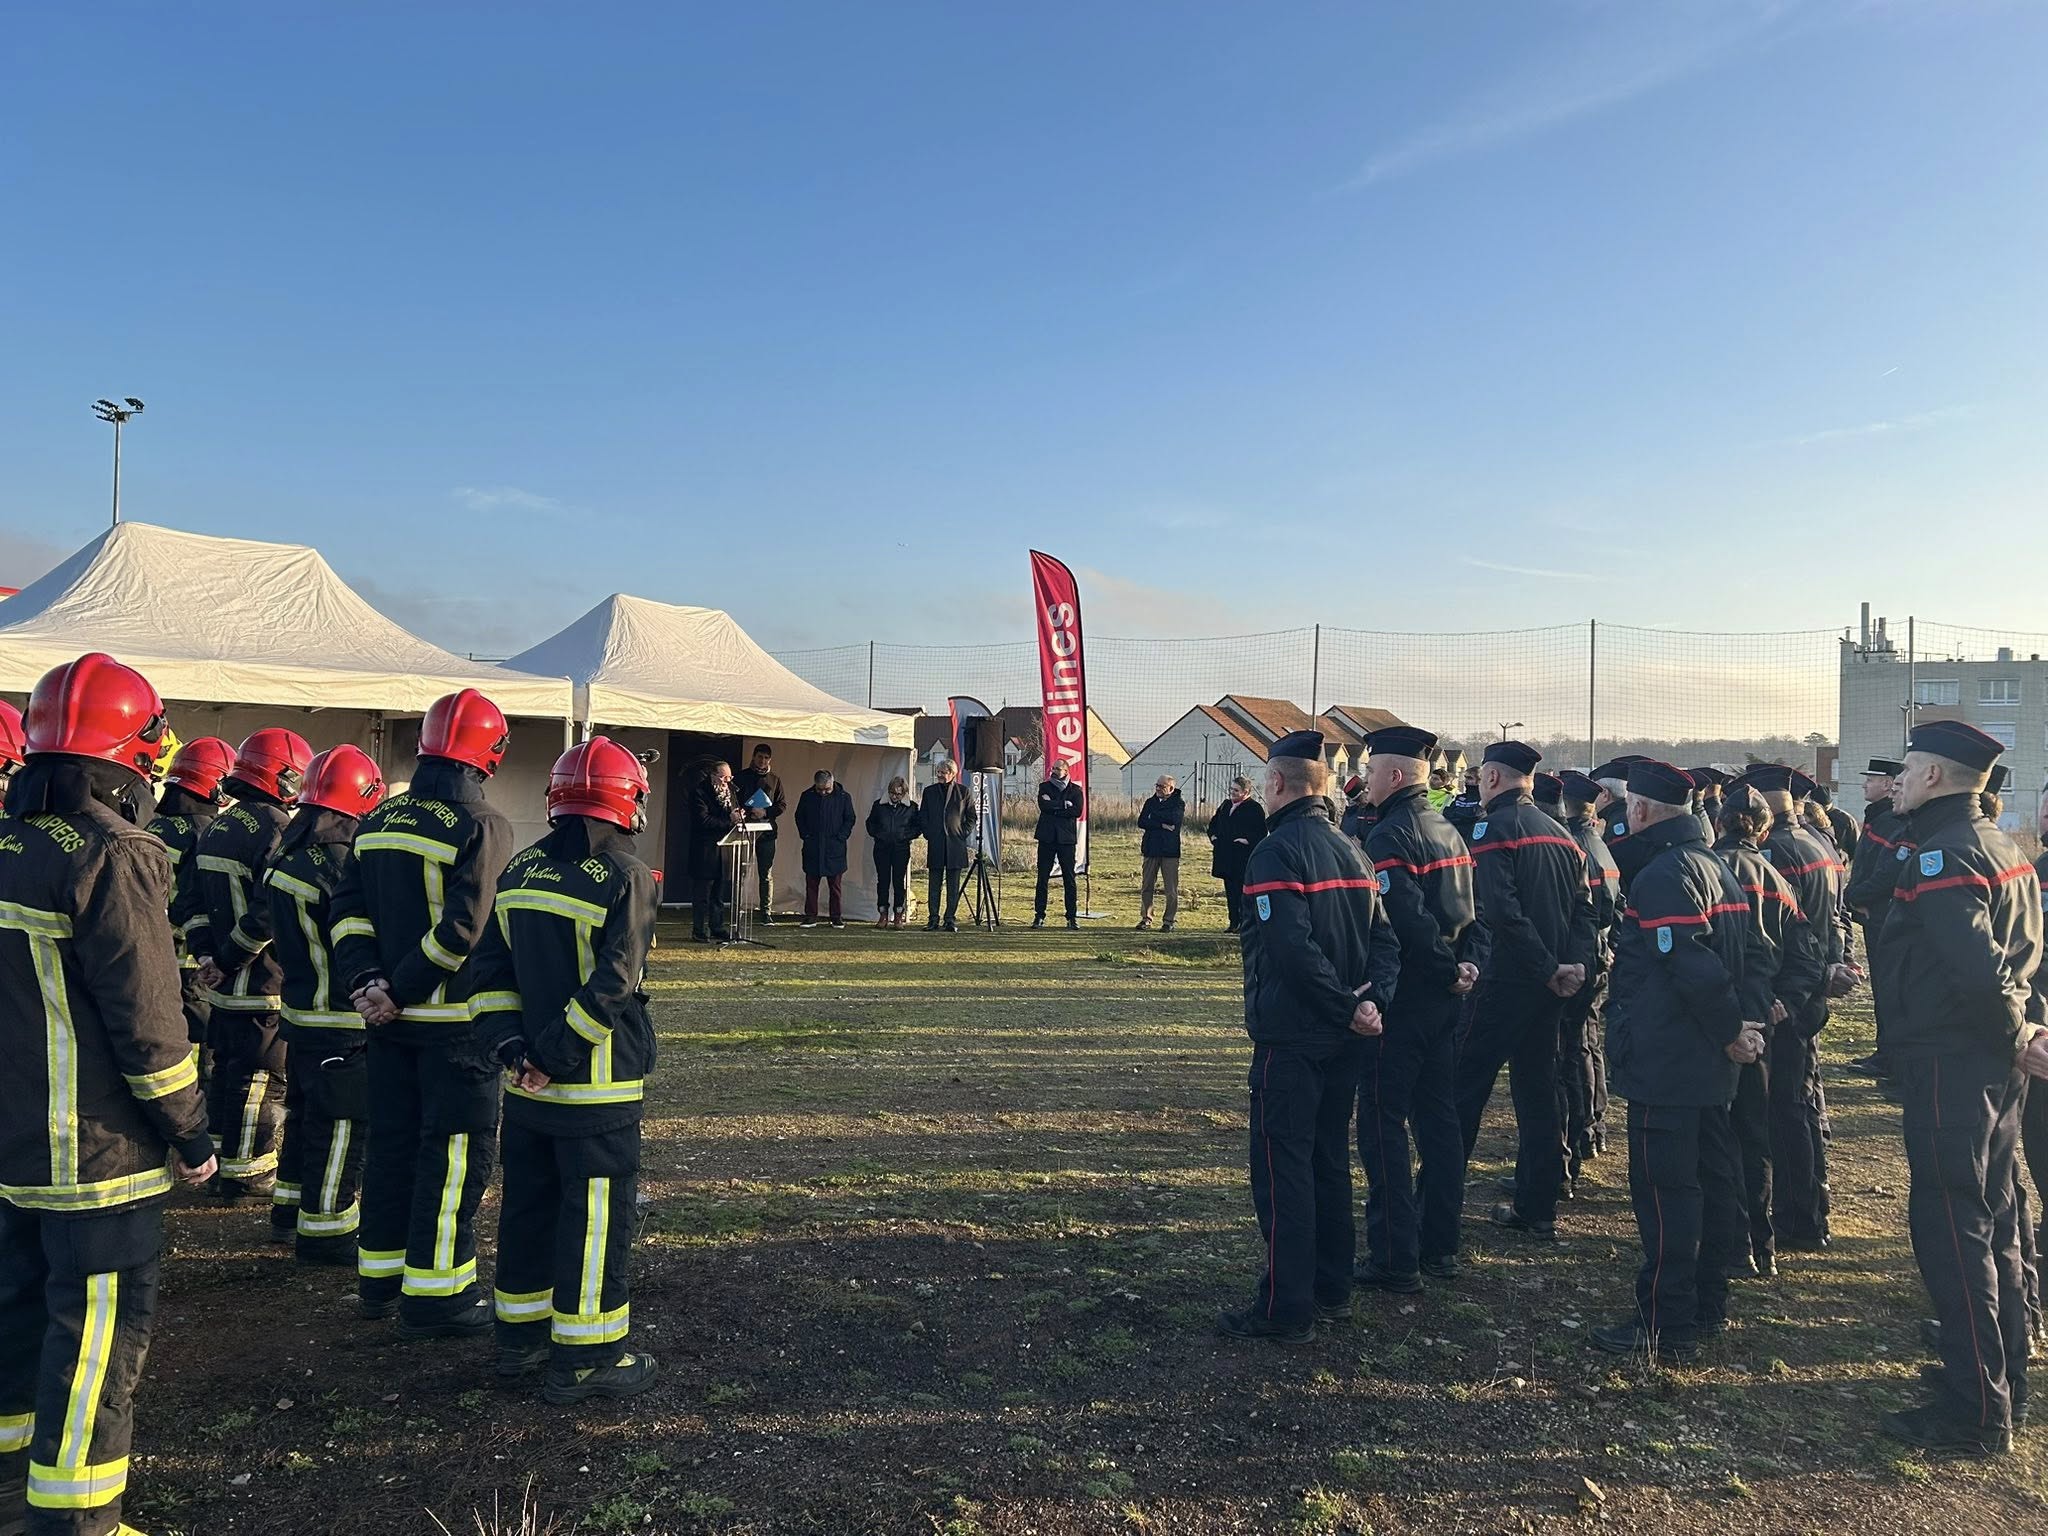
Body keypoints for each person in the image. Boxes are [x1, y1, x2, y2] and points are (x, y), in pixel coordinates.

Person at [0, 653, 215, 1536]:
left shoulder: (8, 846)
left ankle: (14, 1487)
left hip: (11, 1141)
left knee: (16, 1317)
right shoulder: (115, 852)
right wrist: (193, 1131)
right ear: (132, 752)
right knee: (96, 1336)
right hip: (93, 1151)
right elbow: (148, 1022)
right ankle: (78, 1518)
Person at [470, 737, 661, 1404]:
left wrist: (513, 1052)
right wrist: (554, 1058)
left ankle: (518, 1344)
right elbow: (613, 986)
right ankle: (585, 1359)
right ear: (626, 800)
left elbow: (487, 977)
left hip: (524, 1091)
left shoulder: (519, 872)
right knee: (594, 1222)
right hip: (596, 1092)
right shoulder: (627, 877)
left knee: (526, 1211)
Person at [1874, 719, 2042, 1455]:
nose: (1898, 782)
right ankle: (2007, 1380)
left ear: (1937, 777)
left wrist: (2015, 1032)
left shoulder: (1946, 853)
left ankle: (1974, 1410)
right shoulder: (2004, 845)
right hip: (1993, 1066)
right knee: (1996, 1218)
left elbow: (1975, 969)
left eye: (1908, 770)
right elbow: (2021, 960)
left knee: (1952, 1228)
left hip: (1954, 1061)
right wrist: (2025, 1032)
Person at [331, 688, 514, 1338]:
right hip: (456, 1031)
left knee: (392, 1148)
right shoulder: (483, 826)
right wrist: (400, 990)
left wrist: (367, 983)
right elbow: (464, 929)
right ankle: (438, 1296)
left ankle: (378, 1282)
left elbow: (346, 909)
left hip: (386, 1025)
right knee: (455, 1156)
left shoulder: (378, 821)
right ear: (490, 754)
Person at [1219, 731, 1399, 1342]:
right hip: (1344, 1037)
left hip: (1295, 1038)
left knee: (1283, 1167)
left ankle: (1285, 1306)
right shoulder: (1355, 850)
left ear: (1275, 785)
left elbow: (1290, 950)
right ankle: (1331, 1286)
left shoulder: (1275, 852)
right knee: (1327, 1159)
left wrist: (1351, 1006)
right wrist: (1368, 1002)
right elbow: (1384, 942)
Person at [1590, 761, 1761, 1362]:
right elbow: (1760, 954)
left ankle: (1665, 1318)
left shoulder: (1666, 874)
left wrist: (1729, 1030)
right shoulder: (1719, 868)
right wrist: (1744, 1027)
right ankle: (1708, 1302)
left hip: (1670, 1057)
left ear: (1639, 811)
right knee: (1714, 1182)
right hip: (1709, 1060)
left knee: (1666, 1192)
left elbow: (1691, 964)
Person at [1354, 725, 1481, 1290]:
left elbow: (1405, 919)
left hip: (1407, 998)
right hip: (1445, 999)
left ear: (1396, 775)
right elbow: (1469, 914)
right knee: (1439, 1121)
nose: (1366, 776)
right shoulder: (1448, 830)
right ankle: (1440, 1245)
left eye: (1373, 768)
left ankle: (1394, 1255)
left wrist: (1446, 968)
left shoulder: (1391, 835)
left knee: (1382, 1122)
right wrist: (1467, 964)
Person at [1453, 740, 1596, 1242]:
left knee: (1464, 1091)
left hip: (1504, 983)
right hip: (1550, 987)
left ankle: (1438, 1205)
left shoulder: (1493, 830)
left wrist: (1545, 966)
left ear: (1491, 779)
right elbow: (1585, 910)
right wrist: (1570, 966)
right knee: (1538, 1094)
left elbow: (1500, 911)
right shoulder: (1561, 833)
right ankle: (1537, 1205)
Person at [261, 744, 386, 1266]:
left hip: (299, 1014)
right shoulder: (339, 865)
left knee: (305, 1115)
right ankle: (328, 1230)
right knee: (340, 1124)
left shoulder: (287, 857)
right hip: (341, 1017)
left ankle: (289, 1210)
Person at [192, 727, 313, 1229]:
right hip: (261, 984)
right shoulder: (276, 828)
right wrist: (233, 957)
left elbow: (189, 904)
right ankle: (248, 1174)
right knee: (263, 1078)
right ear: (282, 776)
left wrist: (207, 957)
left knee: (228, 1074)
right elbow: (268, 910)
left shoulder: (216, 827)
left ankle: (222, 1162)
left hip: (221, 988)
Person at [1742, 763, 1851, 1252]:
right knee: (1801, 1104)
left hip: (1790, 993)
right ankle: (1811, 1205)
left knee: (1783, 1109)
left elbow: (1778, 930)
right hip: (1812, 988)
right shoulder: (1816, 843)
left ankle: (1796, 1215)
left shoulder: (1775, 852)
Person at [1712, 782, 1801, 1278]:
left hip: (1721, 1014)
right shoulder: (1777, 878)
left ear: (1720, 822)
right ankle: (1758, 1245)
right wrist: (1783, 1000)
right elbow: (1804, 953)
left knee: (1716, 1132)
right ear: (1765, 831)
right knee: (1753, 1132)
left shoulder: (1708, 869)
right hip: (1762, 1019)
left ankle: (1727, 1241)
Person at [145, 734, 234, 1098]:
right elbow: (198, 900)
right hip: (189, 958)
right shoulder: (205, 831)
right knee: (200, 1042)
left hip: (152, 950)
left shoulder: (154, 826)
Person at [1556, 770, 1620, 1180]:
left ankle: (1579, 1133)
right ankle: (1592, 1125)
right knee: (1589, 1044)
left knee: (1574, 1051)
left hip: (1583, 956)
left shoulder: (1576, 847)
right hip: (1601, 954)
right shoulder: (1600, 844)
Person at [1845, 757, 1909, 1080]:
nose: (1864, 784)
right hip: (1872, 916)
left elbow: (1887, 874)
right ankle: (1884, 1052)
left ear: (1887, 783)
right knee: (1882, 990)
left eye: (1871, 779)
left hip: (1882, 915)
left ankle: (1891, 1057)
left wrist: (1853, 897)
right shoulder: (1877, 819)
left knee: (1889, 989)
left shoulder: (1892, 822)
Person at [686, 760, 742, 943]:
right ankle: (699, 930)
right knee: (702, 894)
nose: (727, 781)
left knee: (718, 894)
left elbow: (733, 812)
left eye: (729, 777)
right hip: (705, 850)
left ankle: (717, 926)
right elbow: (703, 821)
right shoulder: (699, 792)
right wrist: (729, 820)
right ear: (712, 776)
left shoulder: (731, 792)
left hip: (724, 850)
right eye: (723, 777)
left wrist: (739, 815)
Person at [730, 743, 786, 924]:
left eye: (766, 758)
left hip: (767, 833)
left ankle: (765, 911)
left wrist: (765, 813)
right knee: (741, 872)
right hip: (744, 830)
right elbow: (732, 800)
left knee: (766, 873)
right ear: (754, 757)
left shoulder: (775, 779)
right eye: (760, 757)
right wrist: (748, 810)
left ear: (770, 760)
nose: (762, 761)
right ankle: (736, 909)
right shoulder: (741, 777)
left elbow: (782, 805)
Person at [795, 769, 856, 930]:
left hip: (834, 848)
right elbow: (799, 816)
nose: (823, 792)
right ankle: (810, 916)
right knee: (811, 884)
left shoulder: (844, 797)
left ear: (833, 783)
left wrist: (842, 836)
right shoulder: (807, 796)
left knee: (835, 886)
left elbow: (850, 818)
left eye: (827, 789)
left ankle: (836, 917)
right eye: (819, 789)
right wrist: (805, 835)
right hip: (813, 846)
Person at [918, 761, 975, 932]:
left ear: (952, 773)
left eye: (943, 772)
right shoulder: (929, 792)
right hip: (936, 843)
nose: (940, 775)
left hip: (955, 845)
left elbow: (971, 817)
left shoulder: (964, 792)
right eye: (938, 772)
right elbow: (923, 815)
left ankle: (950, 919)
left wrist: (961, 833)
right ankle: (933, 919)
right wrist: (928, 833)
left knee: (953, 885)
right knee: (934, 884)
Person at [1207, 776, 1266, 931]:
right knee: (1230, 891)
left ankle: (1244, 923)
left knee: (1242, 892)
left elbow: (1261, 833)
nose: (1232, 793)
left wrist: (1246, 841)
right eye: (1231, 789)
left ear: (1245, 792)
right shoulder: (1225, 806)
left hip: (1242, 858)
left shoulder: (1254, 808)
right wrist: (1214, 837)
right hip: (1225, 856)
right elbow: (1213, 825)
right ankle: (1233, 922)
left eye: (1236, 790)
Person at [1033, 760, 1083, 929]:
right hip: (1047, 837)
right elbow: (1043, 806)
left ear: (1066, 770)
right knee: (1042, 878)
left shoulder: (1075, 790)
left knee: (1069, 878)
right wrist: (1063, 805)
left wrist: (1054, 806)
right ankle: (1039, 915)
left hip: (1066, 839)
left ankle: (1071, 917)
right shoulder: (1044, 787)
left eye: (1058, 769)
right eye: (1053, 768)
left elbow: (1077, 811)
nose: (1054, 771)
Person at [865, 776, 921, 928]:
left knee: (898, 882)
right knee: (882, 881)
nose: (895, 796)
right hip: (881, 848)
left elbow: (918, 827)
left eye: (898, 794)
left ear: (904, 794)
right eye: (892, 793)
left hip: (901, 849)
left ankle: (898, 915)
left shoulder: (911, 807)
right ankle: (882, 914)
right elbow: (870, 824)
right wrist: (879, 835)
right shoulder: (879, 805)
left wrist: (905, 836)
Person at [1136, 775, 1185, 931]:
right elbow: (1142, 821)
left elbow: (1174, 820)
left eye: (1162, 786)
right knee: (1147, 885)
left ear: (1170, 788)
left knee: (1170, 888)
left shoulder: (1178, 803)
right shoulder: (1150, 802)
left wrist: (1154, 817)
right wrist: (1162, 824)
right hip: (1151, 849)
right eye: (1156, 785)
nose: (1157, 788)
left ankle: (1169, 920)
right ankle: (1146, 917)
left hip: (1169, 851)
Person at [1443, 765, 1485, 842]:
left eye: (1470, 778)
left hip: (1472, 840)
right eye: (1465, 777)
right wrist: (1463, 815)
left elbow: (1476, 815)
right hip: (1454, 839)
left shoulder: (1483, 798)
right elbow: (1446, 813)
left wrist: (1456, 813)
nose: (1466, 781)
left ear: (1479, 780)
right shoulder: (1460, 797)